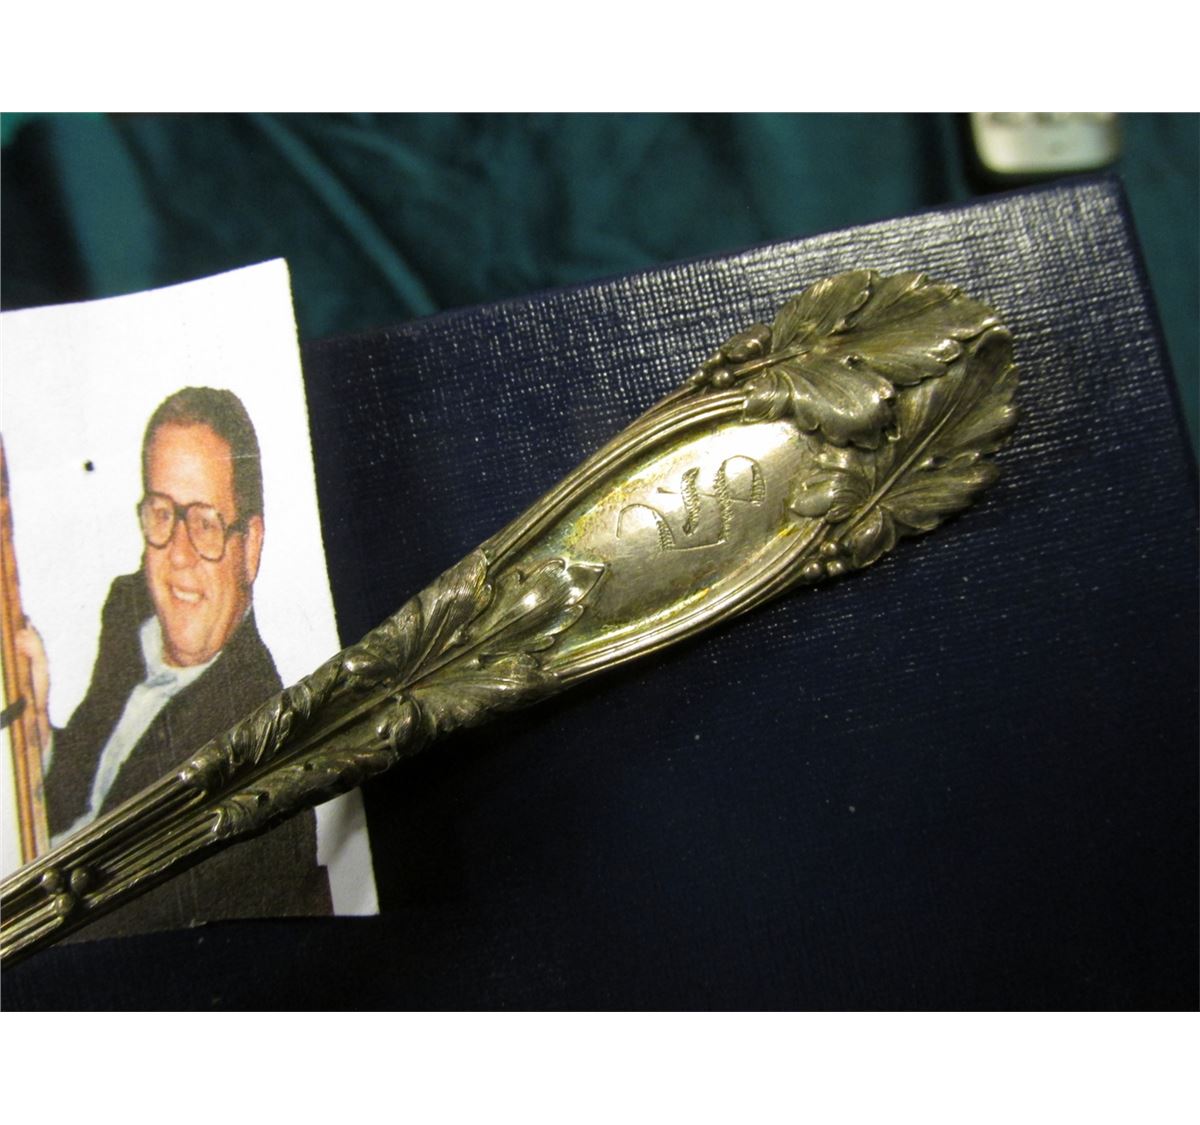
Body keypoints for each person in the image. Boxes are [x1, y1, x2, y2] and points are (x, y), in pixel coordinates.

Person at [16, 387, 331, 935]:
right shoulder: (130, 613)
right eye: (163, 513)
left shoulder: (254, 752)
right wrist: (39, 722)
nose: (179, 555)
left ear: (249, 546)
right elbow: (88, 790)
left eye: (205, 523)